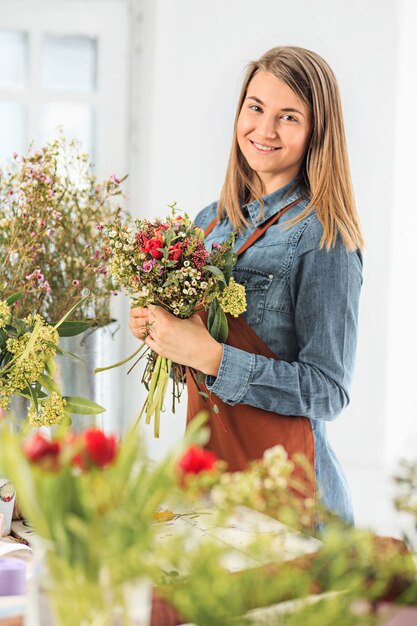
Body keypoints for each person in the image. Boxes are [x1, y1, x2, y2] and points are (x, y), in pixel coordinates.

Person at [129, 45, 364, 526]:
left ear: (317, 132)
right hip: (210, 485)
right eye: (255, 108)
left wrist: (209, 355)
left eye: (289, 117)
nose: (265, 130)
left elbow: (328, 392)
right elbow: (199, 373)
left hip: (287, 502)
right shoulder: (209, 223)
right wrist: (165, 338)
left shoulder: (324, 238)